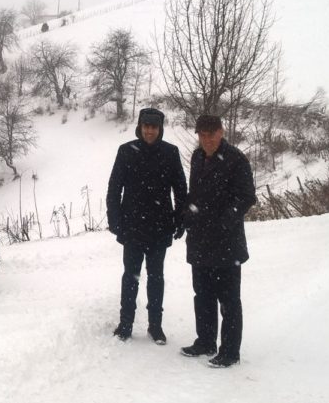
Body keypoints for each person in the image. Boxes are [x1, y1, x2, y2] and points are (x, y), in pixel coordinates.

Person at [179, 114, 256, 368]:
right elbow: (194, 194)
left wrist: (225, 221)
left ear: (221, 132)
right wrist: (186, 216)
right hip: (200, 239)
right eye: (202, 135)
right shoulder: (197, 157)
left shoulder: (236, 159)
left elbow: (246, 197)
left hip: (226, 241)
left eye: (211, 134)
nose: (207, 139)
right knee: (202, 294)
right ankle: (205, 341)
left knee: (229, 299)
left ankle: (230, 351)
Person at [107, 107, 187, 344]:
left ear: (160, 129)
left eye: (154, 127)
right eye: (146, 126)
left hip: (160, 226)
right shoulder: (126, 151)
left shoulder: (170, 153)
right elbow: (114, 188)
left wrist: (180, 219)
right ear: (140, 127)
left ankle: (155, 326)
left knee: (156, 277)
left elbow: (180, 190)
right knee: (130, 277)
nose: (150, 131)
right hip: (132, 226)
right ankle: (125, 324)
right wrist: (114, 219)